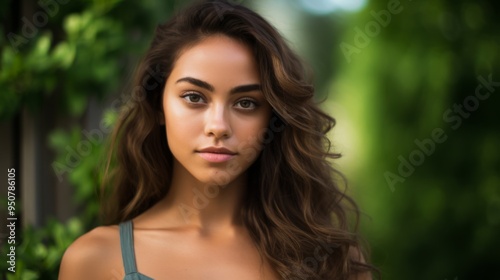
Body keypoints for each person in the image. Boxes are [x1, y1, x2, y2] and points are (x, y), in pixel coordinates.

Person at [59, 0, 377, 279]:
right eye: (195, 97)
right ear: (158, 104)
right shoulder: (95, 260)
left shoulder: (333, 262)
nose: (218, 126)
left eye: (246, 103)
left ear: (273, 119)